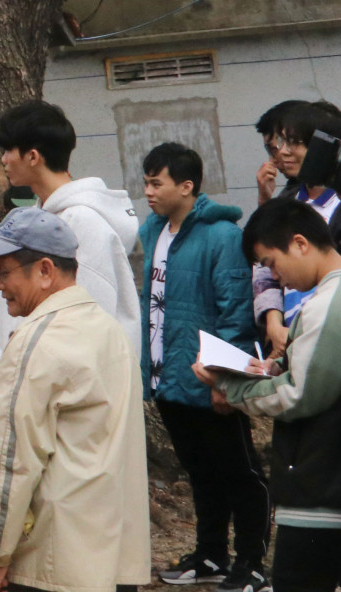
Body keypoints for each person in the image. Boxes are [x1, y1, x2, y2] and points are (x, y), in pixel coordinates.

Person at [0, 208, 152, 592]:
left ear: (45, 270)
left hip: (52, 564)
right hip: (112, 557)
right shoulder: (108, 330)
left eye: (3, 273)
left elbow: (10, 463)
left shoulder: (36, 341)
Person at [137, 143, 270, 590]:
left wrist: (224, 381)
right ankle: (211, 555)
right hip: (168, 376)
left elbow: (236, 311)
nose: (148, 191)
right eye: (147, 181)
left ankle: (251, 563)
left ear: (187, 186)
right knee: (200, 472)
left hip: (208, 378)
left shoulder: (222, 236)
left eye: (156, 182)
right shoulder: (154, 230)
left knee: (240, 472)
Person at [197, 199, 341, 592]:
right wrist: (276, 369)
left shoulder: (330, 303)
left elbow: (300, 395)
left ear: (299, 243)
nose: (275, 277)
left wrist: (231, 386)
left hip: (320, 491)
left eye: (272, 263)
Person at [0, 100, 139, 372]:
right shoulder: (37, 217)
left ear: (33, 157)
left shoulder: (83, 221)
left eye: (9, 150)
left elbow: (89, 321)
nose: (4, 159)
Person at [255, 103, 341, 356]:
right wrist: (274, 323)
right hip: (291, 340)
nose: (282, 153)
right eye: (279, 144)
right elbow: (265, 266)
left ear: (326, 145)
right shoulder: (287, 201)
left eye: (294, 143)